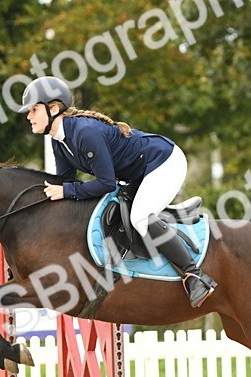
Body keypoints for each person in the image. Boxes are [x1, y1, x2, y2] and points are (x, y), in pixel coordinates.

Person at [18, 76, 218, 307]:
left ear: (53, 109)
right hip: (140, 172)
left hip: (164, 162)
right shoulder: (59, 141)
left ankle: (195, 276)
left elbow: (106, 184)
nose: (29, 116)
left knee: (139, 217)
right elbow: (64, 183)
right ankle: (174, 218)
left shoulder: (84, 132)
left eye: (33, 110)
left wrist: (67, 190)